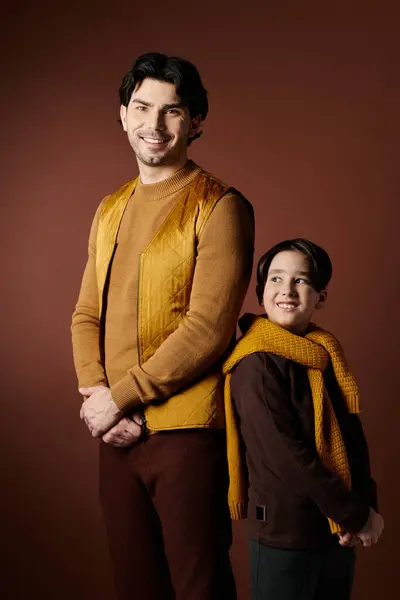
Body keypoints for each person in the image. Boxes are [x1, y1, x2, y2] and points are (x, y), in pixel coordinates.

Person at [71, 52, 254, 600]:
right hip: (115, 435)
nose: (154, 126)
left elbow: (207, 329)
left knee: (200, 588)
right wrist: (99, 398)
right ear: (123, 114)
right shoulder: (110, 209)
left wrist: (120, 398)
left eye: (172, 112)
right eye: (143, 108)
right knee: (135, 587)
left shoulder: (220, 206)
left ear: (195, 121)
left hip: (187, 435)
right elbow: (86, 315)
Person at [222, 239, 384, 600]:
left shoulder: (324, 354)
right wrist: (355, 515)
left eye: (301, 281)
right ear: (261, 291)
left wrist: (365, 505)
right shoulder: (255, 364)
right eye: (276, 280)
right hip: (287, 535)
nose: (287, 291)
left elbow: (351, 434)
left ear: (320, 297)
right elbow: (287, 458)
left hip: (336, 530)